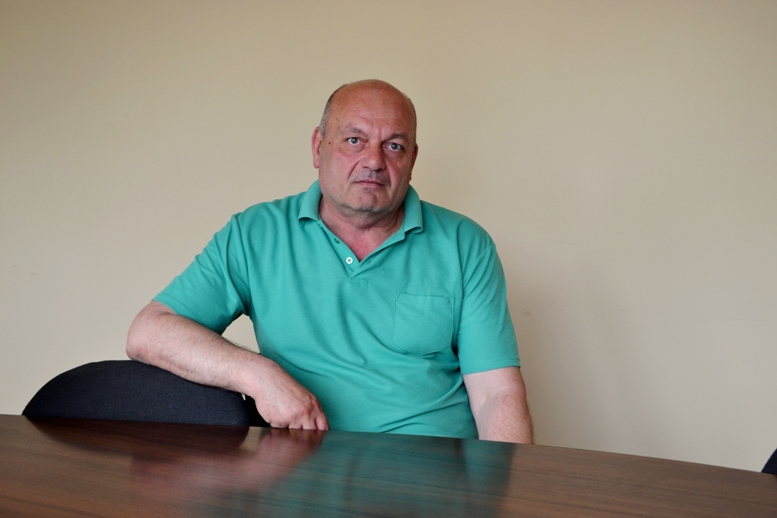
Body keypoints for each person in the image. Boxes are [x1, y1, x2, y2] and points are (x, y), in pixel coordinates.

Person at [127, 80, 533, 443]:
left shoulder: (465, 244)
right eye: (354, 140)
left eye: (394, 145)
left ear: (412, 159)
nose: (374, 161)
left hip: (433, 475)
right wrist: (259, 375)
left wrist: (508, 494)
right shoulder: (255, 234)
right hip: (305, 473)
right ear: (318, 147)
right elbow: (149, 331)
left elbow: (496, 394)